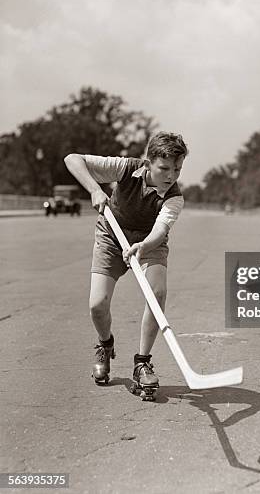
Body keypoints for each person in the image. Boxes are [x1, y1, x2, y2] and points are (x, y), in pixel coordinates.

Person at [64, 132, 188, 397]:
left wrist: (143, 246)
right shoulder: (125, 168)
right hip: (112, 236)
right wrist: (95, 189)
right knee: (97, 305)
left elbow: (160, 229)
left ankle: (142, 362)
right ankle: (105, 345)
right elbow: (72, 159)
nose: (171, 175)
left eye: (177, 169)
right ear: (147, 163)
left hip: (148, 243)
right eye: (164, 168)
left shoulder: (175, 197)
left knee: (157, 294)